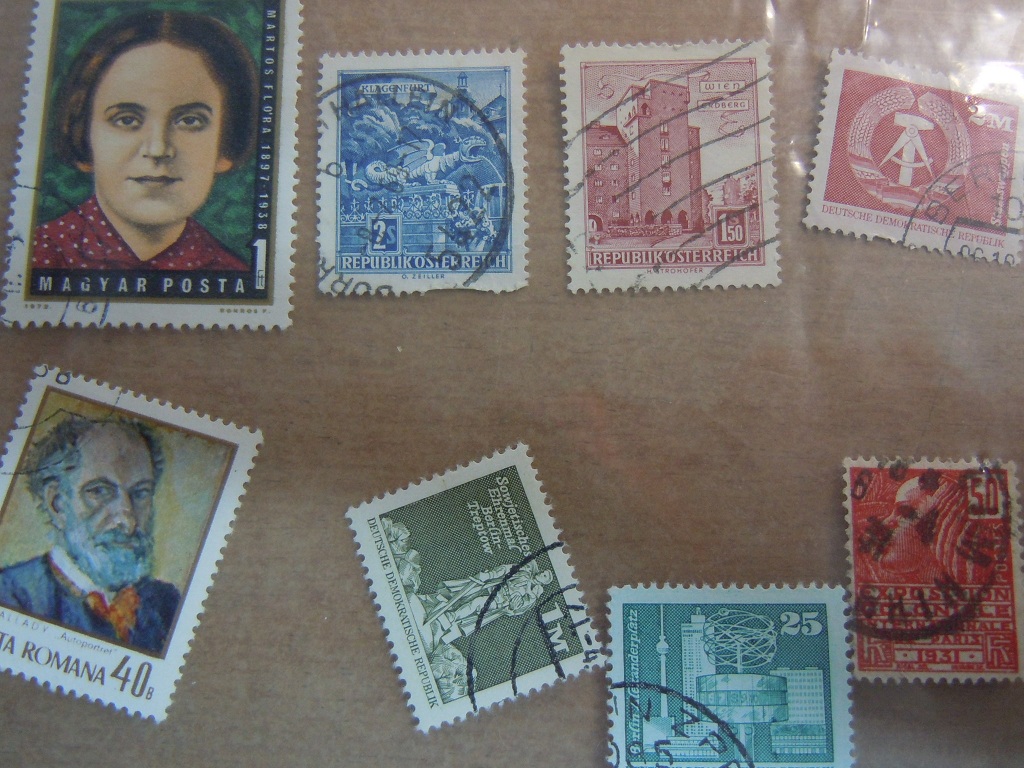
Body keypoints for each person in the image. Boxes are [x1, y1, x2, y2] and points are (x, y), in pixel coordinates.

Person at [32, 11, 258, 271]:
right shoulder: (37, 255)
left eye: (190, 121)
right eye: (127, 120)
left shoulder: (233, 271)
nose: (158, 149)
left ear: (226, 142)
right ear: (84, 132)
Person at [0, 415, 180, 654]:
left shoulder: (168, 603)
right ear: (57, 504)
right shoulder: (12, 593)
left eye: (140, 493)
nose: (127, 522)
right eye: (99, 491)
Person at [420, 560, 554, 646]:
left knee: (477, 603)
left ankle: (452, 617)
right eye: (543, 571)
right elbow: (506, 569)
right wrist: (489, 575)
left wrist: (515, 606)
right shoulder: (525, 572)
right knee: (462, 592)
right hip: (491, 586)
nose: (542, 573)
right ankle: (431, 600)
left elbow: (518, 609)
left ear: (544, 582)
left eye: (545, 575)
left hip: (499, 600)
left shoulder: (532, 595)